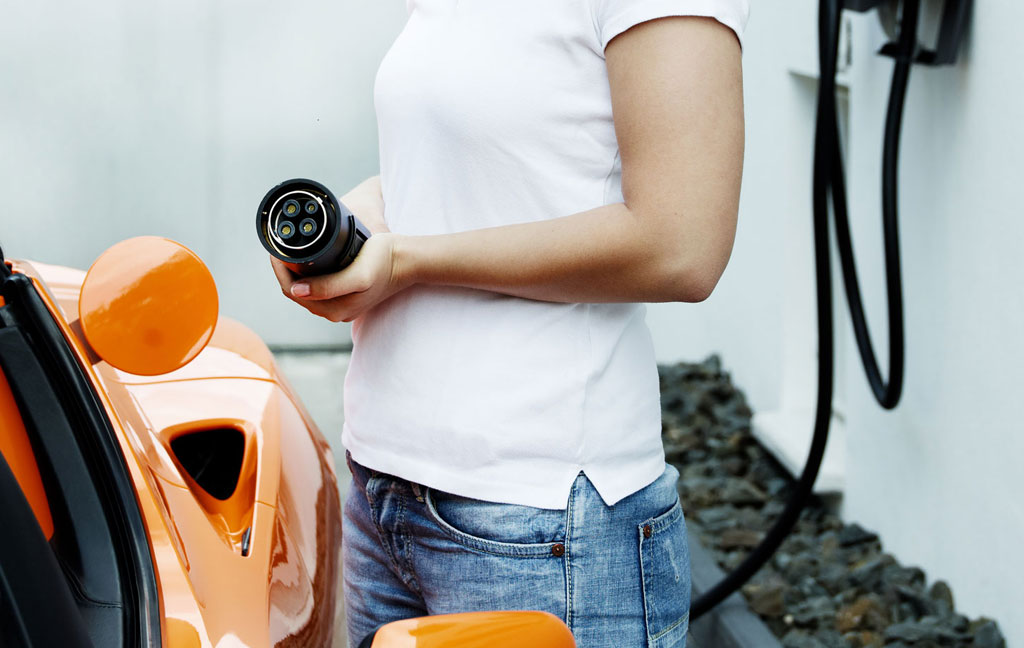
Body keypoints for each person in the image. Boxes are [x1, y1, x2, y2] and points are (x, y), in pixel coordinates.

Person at [271, 1, 748, 646]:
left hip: (540, 517)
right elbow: (500, 167)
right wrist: (371, 207)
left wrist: (409, 260)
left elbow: (681, 246)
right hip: (385, 484)